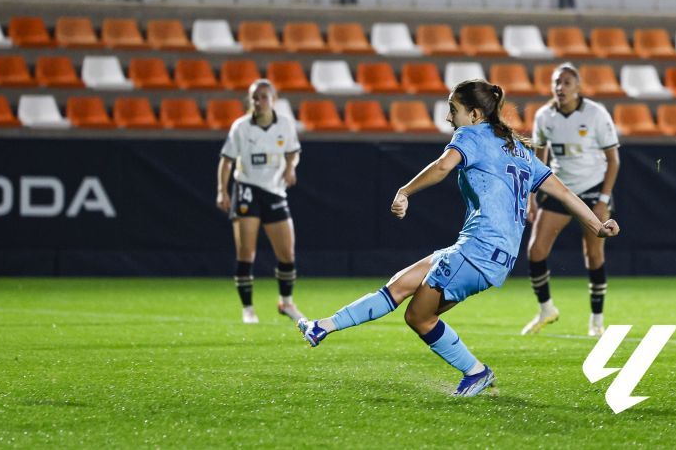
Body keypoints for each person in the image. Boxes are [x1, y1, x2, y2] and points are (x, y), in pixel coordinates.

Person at [297, 79, 619, 397]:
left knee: (418, 316)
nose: (449, 118)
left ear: (475, 115)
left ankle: (476, 371)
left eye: (454, 110)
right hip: (484, 250)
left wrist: (405, 191)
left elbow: (441, 168)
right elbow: (562, 191)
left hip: (481, 250)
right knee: (399, 285)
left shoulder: (471, 135)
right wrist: (597, 225)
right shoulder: (518, 149)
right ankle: (323, 326)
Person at [521, 63, 620, 337]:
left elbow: (613, 160)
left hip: (591, 190)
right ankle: (546, 309)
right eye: (556, 82)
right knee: (536, 250)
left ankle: (597, 321)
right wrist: (532, 196)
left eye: (566, 83)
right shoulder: (544, 116)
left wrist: (603, 198)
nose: (560, 88)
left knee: (594, 254)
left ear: (578, 87)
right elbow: (538, 161)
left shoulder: (596, 114)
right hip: (559, 190)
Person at [217, 79, 305, 324]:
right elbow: (226, 160)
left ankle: (286, 302)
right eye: (254, 97)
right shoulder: (241, 127)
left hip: (275, 191)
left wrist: (290, 168)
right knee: (246, 252)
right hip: (247, 190)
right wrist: (222, 191)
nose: (258, 101)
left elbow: (293, 152)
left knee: (287, 253)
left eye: (263, 97)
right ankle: (248, 308)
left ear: (273, 99)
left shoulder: (285, 124)